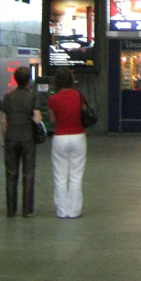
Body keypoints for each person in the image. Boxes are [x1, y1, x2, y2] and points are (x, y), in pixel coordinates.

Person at [1, 67, 43, 218]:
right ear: (28, 80)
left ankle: (11, 209)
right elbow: (37, 118)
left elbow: (4, 121)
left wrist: (6, 137)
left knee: (11, 173)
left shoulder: (8, 97)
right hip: (27, 138)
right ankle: (27, 209)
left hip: (11, 137)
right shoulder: (32, 97)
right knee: (28, 173)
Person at [47, 67, 86, 219]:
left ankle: (62, 211)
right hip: (78, 136)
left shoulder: (52, 99)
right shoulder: (78, 95)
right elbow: (82, 112)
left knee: (60, 176)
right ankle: (74, 211)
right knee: (76, 176)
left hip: (60, 137)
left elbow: (51, 119)